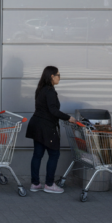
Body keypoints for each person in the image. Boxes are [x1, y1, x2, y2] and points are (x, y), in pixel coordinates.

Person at [26, 66, 76, 194]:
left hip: (36, 125)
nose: (60, 77)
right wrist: (68, 118)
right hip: (46, 127)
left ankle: (35, 183)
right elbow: (53, 111)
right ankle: (49, 184)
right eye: (58, 75)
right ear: (51, 76)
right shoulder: (50, 91)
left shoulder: (41, 89)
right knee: (54, 154)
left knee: (38, 154)